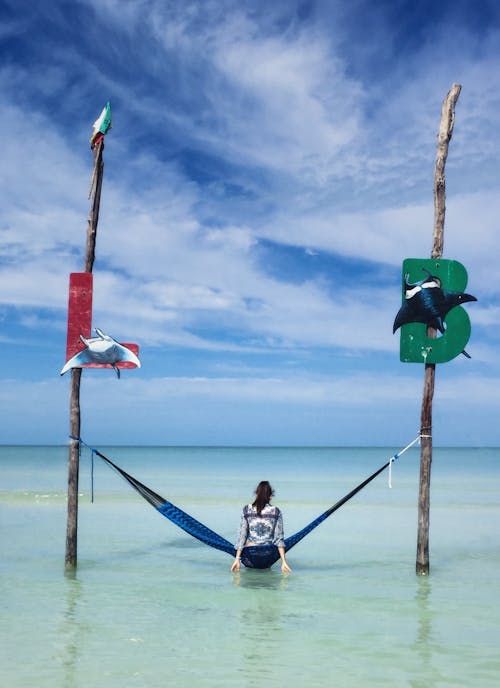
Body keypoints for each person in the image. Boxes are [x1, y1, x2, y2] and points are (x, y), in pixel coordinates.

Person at [231, 480, 292, 573]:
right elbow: (279, 538)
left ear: (256, 494)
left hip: (250, 554)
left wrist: (237, 559)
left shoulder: (247, 509)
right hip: (268, 555)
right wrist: (283, 562)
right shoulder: (276, 511)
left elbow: (242, 536)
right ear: (270, 496)